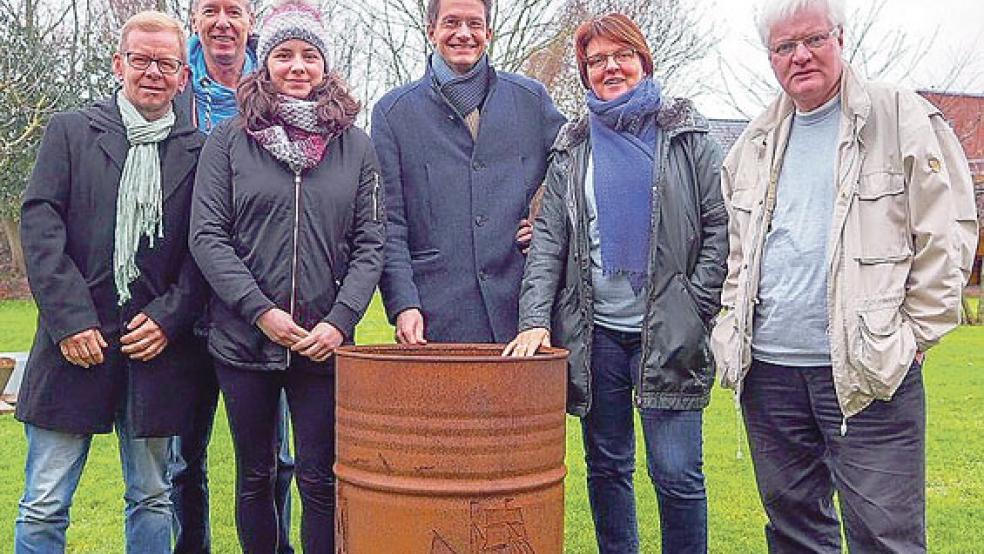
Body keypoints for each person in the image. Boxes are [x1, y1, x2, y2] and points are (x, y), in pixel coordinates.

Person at [709, 0, 978, 551]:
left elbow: (947, 232)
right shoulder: (753, 142)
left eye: (813, 40)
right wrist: (728, 328)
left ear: (840, 38)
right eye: (784, 47)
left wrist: (914, 336)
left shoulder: (903, 118)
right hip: (771, 371)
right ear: (770, 57)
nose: (800, 56)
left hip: (868, 370)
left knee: (885, 535)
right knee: (794, 530)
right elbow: (737, 253)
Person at [504, 13, 727, 554]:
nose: (610, 67)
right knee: (606, 468)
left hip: (670, 331)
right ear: (585, 74)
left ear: (642, 60)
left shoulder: (687, 136)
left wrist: (693, 305)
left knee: (676, 474)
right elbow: (550, 242)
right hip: (596, 334)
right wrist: (535, 319)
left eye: (620, 55)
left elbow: (720, 228)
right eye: (596, 60)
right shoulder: (571, 147)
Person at [189, 1, 384, 552]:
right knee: (256, 475)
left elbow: (371, 242)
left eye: (308, 55)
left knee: (320, 478)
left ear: (325, 65)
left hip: (322, 346)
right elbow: (208, 235)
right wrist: (260, 311)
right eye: (283, 54)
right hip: (243, 340)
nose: (297, 66)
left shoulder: (355, 145)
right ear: (264, 62)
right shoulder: (230, 140)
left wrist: (341, 321)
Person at [13, 11, 207, 553]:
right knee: (44, 502)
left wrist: (170, 319)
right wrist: (70, 321)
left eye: (165, 63)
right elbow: (41, 225)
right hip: (72, 346)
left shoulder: (201, 151)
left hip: (155, 352)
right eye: (141, 60)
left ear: (182, 76)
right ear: (118, 64)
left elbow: (204, 251)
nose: (152, 72)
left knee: (151, 497)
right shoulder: (71, 132)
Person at [171, 2, 296, 552]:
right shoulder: (173, 93)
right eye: (209, 9)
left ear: (252, 23)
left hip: (265, 308)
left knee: (279, 459)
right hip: (185, 304)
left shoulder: (279, 93)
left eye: (235, 10)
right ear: (195, 20)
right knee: (183, 459)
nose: (222, 21)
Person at [372, 0, 565, 345]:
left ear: (489, 33)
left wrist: (547, 223)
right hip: (436, 317)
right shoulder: (393, 113)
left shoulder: (530, 100)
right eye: (451, 22)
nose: (463, 33)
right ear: (431, 31)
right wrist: (403, 304)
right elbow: (390, 223)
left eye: (474, 24)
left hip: (519, 314)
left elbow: (577, 168)